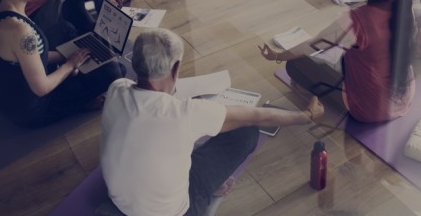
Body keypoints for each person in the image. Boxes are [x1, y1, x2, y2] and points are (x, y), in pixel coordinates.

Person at [100, 28, 324, 216]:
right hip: (177, 212)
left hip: (120, 204)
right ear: (176, 69)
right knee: (246, 132)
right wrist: (305, 116)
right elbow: (258, 116)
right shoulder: (185, 113)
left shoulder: (116, 88)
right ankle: (207, 191)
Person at [259, 0, 416, 123]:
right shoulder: (405, 4)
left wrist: (277, 55)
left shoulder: (355, 21)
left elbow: (311, 46)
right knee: (343, 57)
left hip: (371, 109)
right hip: (403, 97)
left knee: (295, 65)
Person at [0, 0, 125, 127]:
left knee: (97, 63)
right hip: (33, 110)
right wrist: (70, 64)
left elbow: (27, 56)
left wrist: (69, 54)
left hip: (10, 99)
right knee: (114, 73)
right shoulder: (21, 31)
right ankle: (79, 105)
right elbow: (41, 87)